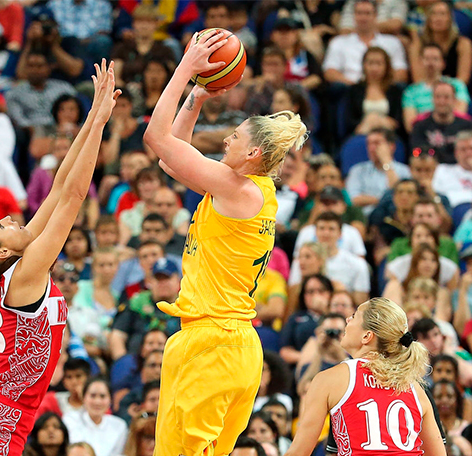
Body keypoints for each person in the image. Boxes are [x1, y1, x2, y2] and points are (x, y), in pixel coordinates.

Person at [144, 30, 308, 456]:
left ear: (253, 155)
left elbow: (156, 139)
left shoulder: (238, 189)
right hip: (231, 343)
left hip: (213, 342)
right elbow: (170, 158)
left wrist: (186, 68)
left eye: (235, 137)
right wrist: (197, 97)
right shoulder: (249, 190)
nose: (226, 140)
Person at [0, 61, 117, 456]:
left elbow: (61, 183)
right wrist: (99, 126)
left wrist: (93, 115)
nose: (11, 219)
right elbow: (76, 197)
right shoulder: (26, 273)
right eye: (2, 226)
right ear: (3, 252)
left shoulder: (20, 263)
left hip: (9, 411)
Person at [282, 298, 446, 456]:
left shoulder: (329, 379)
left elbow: (298, 452)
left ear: (367, 336)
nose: (347, 319)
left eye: (353, 316)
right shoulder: (415, 388)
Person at [322, 0, 408, 85]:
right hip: (349, 90)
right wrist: (355, 87)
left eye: (367, 13)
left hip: (384, 90)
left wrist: (379, 87)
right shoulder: (338, 42)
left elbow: (401, 73)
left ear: (375, 16)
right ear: (353, 16)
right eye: (359, 13)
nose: (363, 18)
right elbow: (330, 72)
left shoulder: (392, 42)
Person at [403, 44, 470, 134]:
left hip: (454, 133)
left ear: (443, 63)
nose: (431, 63)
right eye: (426, 59)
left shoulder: (457, 85)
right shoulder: (410, 92)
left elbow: (460, 114)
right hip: (425, 137)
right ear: (420, 63)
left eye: (435, 59)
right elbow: (410, 125)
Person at [410, 81, 472, 165]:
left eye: (446, 97)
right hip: (431, 170)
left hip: (461, 169)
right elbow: (417, 153)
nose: (442, 102)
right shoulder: (420, 125)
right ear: (432, 99)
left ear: (454, 100)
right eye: (438, 97)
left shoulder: (467, 125)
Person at [346, 128, 410, 216]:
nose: (372, 148)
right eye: (369, 144)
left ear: (391, 146)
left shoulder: (404, 171)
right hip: (366, 219)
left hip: (394, 218)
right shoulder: (357, 170)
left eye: (377, 143)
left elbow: (399, 194)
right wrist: (384, 200)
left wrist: (387, 163)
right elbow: (353, 199)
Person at [63, 378, 128, 456]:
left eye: (102, 396)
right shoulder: (70, 420)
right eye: (93, 396)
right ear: (83, 398)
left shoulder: (119, 425)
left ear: (110, 400)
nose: (97, 402)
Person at [432, 131, 472, 207]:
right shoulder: (443, 171)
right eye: (463, 149)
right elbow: (434, 195)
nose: (468, 153)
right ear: (456, 153)